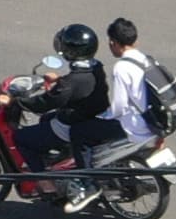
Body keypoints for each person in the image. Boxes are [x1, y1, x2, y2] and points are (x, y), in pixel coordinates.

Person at [8, 21, 112, 176]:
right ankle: (62, 158)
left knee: (22, 139)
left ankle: (44, 182)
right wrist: (60, 81)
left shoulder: (71, 82)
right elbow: (77, 87)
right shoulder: (96, 67)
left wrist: (16, 102)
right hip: (90, 115)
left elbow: (45, 103)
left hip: (72, 122)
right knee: (45, 119)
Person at [101, 15, 167, 159]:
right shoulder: (146, 59)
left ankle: (87, 177)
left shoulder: (122, 67)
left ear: (114, 43)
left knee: (81, 134)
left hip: (137, 128)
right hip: (154, 121)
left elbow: (119, 106)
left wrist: (103, 117)